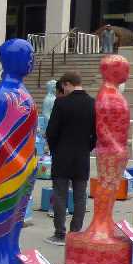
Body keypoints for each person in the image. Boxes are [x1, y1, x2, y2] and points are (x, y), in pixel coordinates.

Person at [45, 71, 96, 244]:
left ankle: (60, 233)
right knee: (80, 196)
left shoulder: (61, 104)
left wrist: (54, 150)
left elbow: (51, 132)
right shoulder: (92, 103)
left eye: (63, 87)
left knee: (60, 195)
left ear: (67, 84)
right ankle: (75, 233)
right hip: (82, 157)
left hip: (62, 156)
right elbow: (95, 134)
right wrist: (87, 148)